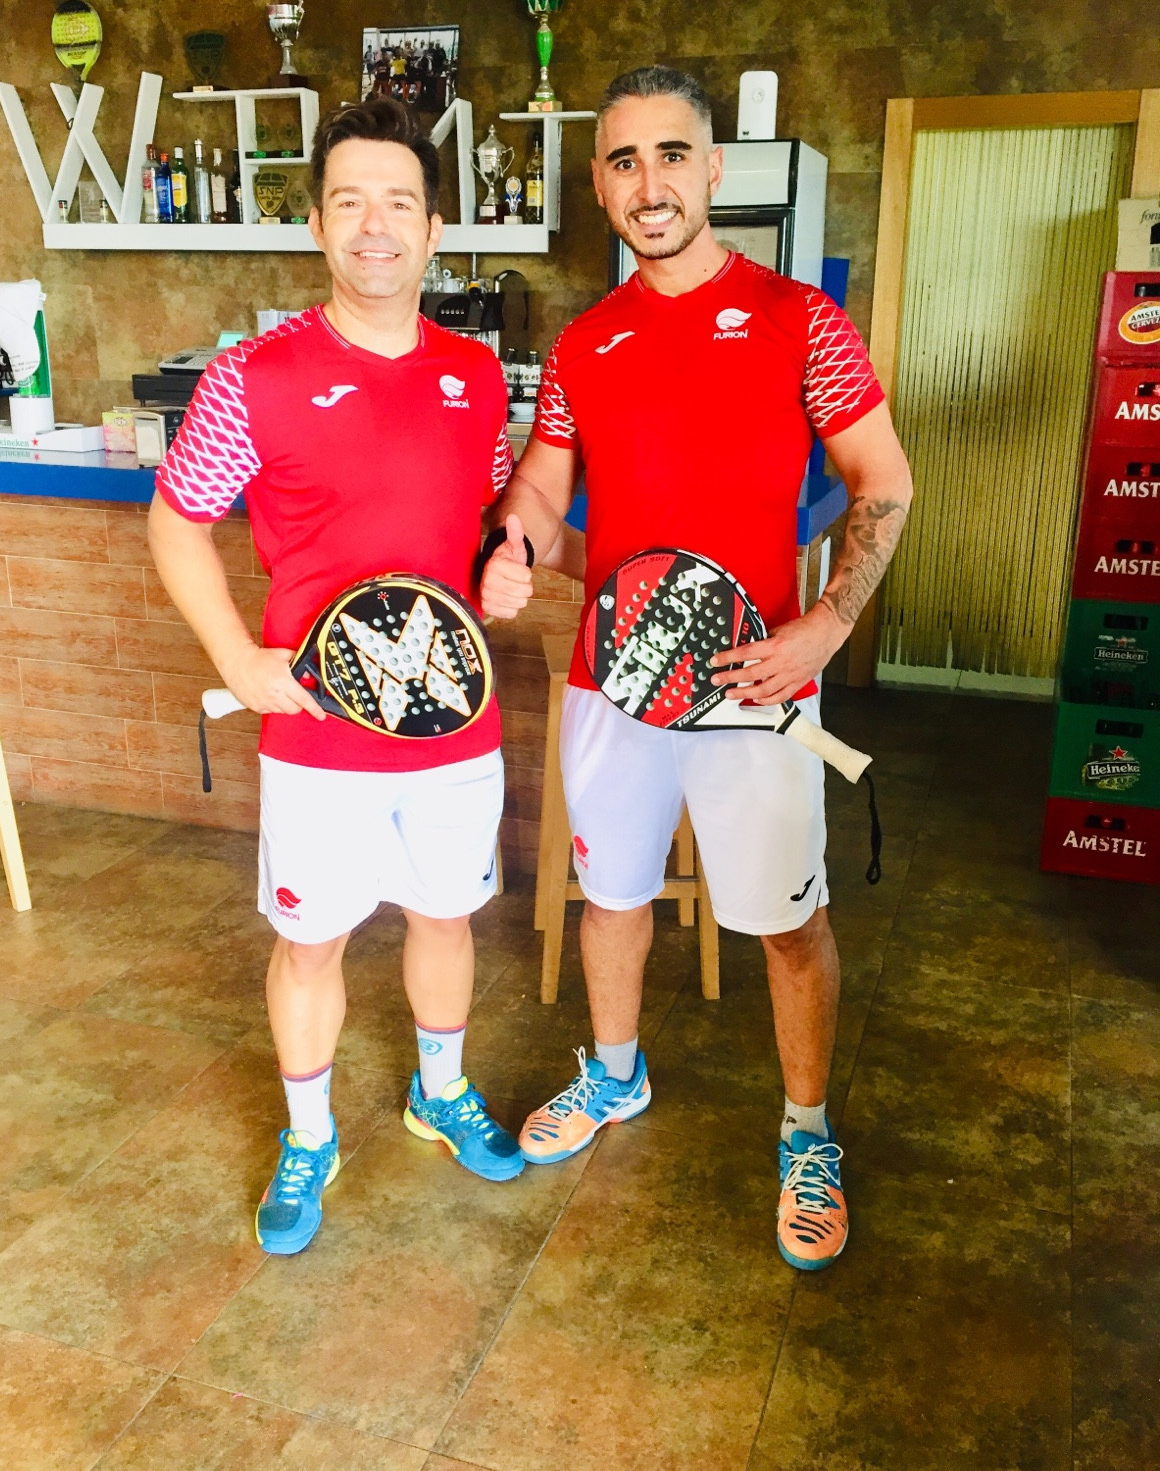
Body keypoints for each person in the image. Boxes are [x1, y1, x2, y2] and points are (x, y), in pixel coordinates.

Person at [480, 66, 913, 1272]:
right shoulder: (586, 343)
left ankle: (808, 1132)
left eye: (672, 155)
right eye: (624, 161)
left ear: (714, 169)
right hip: (610, 682)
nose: (650, 183)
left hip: (754, 682)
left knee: (787, 923)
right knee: (613, 894)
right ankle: (616, 1073)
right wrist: (515, 547)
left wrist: (825, 627)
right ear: (600, 184)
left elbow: (884, 481)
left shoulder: (799, 320)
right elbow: (547, 499)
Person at [149, 98, 533, 1256]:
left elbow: (485, 517)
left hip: (454, 721)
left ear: (434, 228)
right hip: (318, 733)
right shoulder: (251, 377)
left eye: (399, 203)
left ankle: (438, 1091)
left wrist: (503, 561)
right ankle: (310, 1136)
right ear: (317, 224)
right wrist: (237, 658)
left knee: (446, 916)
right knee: (311, 941)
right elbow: (176, 523)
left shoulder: (476, 375)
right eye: (351, 202)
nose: (376, 225)